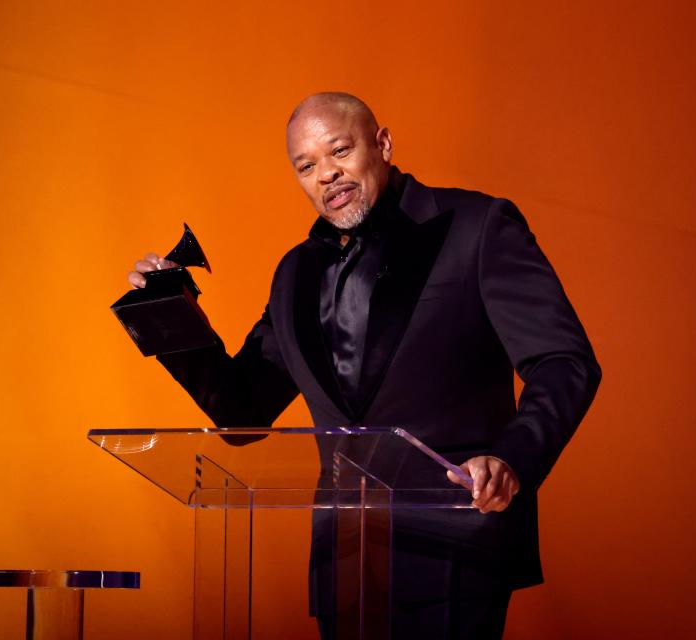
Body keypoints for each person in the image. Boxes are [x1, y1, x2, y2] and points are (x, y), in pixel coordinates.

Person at [127, 92, 601, 639]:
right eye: (307, 166)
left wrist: (511, 458)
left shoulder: (477, 226)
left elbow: (565, 361)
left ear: (383, 145)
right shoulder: (295, 273)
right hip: (344, 561)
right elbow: (241, 411)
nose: (326, 174)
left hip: (456, 544)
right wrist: (169, 314)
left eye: (340, 151)